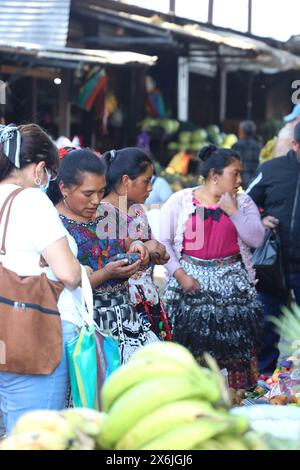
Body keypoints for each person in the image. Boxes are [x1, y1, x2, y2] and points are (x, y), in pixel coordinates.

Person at [158, 145, 265, 389]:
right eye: (234, 174)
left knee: (234, 347)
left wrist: (234, 211)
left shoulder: (243, 202)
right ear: (215, 175)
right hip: (189, 284)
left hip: (232, 286)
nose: (240, 180)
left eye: (240, 174)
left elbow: (256, 239)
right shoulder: (181, 200)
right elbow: (164, 240)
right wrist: (180, 275)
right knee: (190, 346)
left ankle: (234, 397)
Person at [0, 123, 82, 434]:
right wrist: (79, 270)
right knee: (35, 436)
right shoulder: (31, 201)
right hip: (31, 336)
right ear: (40, 169)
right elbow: (68, 274)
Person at [50, 147, 158, 364]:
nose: (96, 200)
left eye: (101, 191)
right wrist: (107, 273)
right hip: (85, 325)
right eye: (88, 194)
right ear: (64, 188)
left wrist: (138, 247)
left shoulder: (108, 213)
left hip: (126, 317)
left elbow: (129, 240)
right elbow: (67, 282)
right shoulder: (53, 225)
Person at [246, 121, 300, 375]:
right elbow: (244, 203)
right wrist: (260, 218)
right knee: (267, 324)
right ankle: (265, 377)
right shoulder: (271, 170)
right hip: (272, 263)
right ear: (294, 145)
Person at [101, 147, 172, 341]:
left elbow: (147, 246)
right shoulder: (103, 213)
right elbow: (113, 260)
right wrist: (146, 248)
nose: (150, 188)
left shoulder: (138, 211)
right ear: (125, 181)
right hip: (124, 305)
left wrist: (157, 253)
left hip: (149, 298)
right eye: (146, 181)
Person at [232, 120, 261, 189]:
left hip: (239, 182)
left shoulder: (236, 146)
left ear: (242, 132)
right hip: (254, 180)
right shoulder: (258, 146)